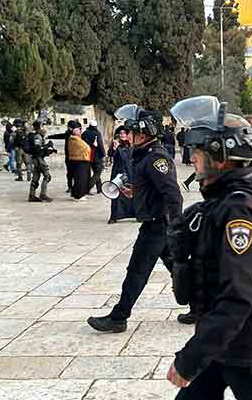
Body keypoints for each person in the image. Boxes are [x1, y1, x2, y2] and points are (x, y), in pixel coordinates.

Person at [165, 95, 252, 400]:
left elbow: (239, 296)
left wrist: (190, 358)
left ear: (219, 156)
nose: (192, 159)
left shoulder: (239, 212)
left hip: (246, 350)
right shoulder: (225, 201)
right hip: (223, 345)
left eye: (198, 151)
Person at [88, 104, 183, 333]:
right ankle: (203, 307)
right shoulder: (145, 155)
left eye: (132, 132)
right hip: (157, 223)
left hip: (158, 225)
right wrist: (135, 193)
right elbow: (155, 190)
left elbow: (172, 194)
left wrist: (175, 225)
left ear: (143, 133)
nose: (128, 136)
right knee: (178, 266)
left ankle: (119, 316)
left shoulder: (155, 158)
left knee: (137, 270)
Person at [108, 126, 134, 222]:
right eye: (121, 133)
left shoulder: (131, 145)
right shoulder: (116, 144)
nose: (122, 135)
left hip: (130, 172)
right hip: (118, 172)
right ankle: (114, 216)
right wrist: (114, 148)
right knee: (116, 194)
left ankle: (135, 214)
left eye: (124, 133)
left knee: (131, 193)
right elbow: (110, 155)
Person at [47, 119, 81, 193]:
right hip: (71, 157)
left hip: (73, 156)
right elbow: (60, 136)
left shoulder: (74, 134)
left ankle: (72, 187)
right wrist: (49, 136)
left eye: (68, 126)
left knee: (72, 173)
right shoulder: (69, 134)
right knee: (71, 173)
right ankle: (71, 186)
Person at [27, 121, 55, 202]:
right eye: (43, 126)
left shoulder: (39, 136)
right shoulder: (37, 136)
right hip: (38, 159)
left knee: (36, 177)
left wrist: (49, 151)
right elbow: (38, 149)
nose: (45, 128)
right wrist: (47, 145)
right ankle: (43, 194)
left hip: (37, 158)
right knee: (47, 176)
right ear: (39, 127)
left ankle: (31, 195)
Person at [82, 120, 106, 194]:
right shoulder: (97, 133)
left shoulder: (84, 133)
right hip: (96, 156)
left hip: (87, 156)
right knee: (98, 172)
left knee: (96, 172)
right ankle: (86, 188)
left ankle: (99, 188)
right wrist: (103, 154)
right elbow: (100, 145)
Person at [68, 127, 91, 200]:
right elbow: (86, 148)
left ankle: (75, 194)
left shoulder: (72, 139)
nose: (81, 132)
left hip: (75, 161)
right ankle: (79, 195)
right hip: (81, 161)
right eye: (79, 131)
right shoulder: (76, 140)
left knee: (77, 179)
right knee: (81, 179)